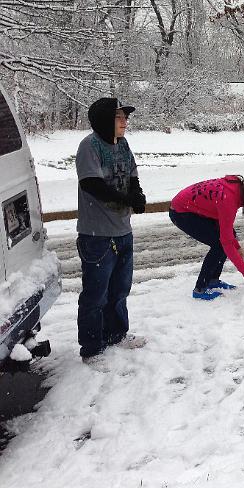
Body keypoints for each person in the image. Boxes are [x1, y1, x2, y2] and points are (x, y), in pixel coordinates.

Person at [76, 97, 148, 363]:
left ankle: (116, 334)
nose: (125, 122)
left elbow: (132, 173)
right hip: (97, 235)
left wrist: (136, 193)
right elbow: (92, 185)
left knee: (119, 290)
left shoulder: (123, 144)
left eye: (125, 117)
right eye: (119, 117)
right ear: (104, 120)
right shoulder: (90, 146)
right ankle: (92, 348)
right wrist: (125, 199)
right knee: (96, 295)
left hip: (122, 230)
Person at [169, 176, 244, 300]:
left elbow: (226, 229)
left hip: (192, 209)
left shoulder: (236, 191)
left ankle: (212, 280)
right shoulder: (229, 199)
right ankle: (200, 289)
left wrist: (237, 246)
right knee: (220, 245)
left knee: (223, 241)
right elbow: (226, 242)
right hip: (181, 212)